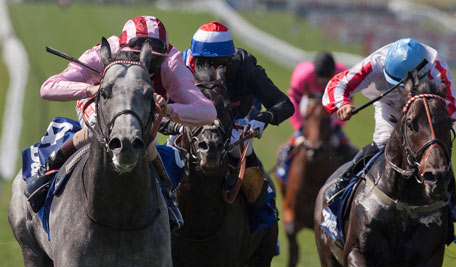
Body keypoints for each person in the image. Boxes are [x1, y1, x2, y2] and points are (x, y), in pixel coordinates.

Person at [25, 16, 217, 231]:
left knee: (142, 137)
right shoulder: (100, 53)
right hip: (101, 103)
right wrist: (91, 89)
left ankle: (167, 191)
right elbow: (48, 88)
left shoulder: (171, 63)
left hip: (141, 108)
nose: (145, 65)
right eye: (135, 57)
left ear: (164, 55)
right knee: (101, 126)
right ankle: (51, 166)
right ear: (123, 48)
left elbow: (208, 112)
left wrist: (170, 110)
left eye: (153, 60)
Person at [322, 38, 456, 214]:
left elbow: (454, 108)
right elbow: (338, 83)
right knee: (383, 141)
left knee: (436, 148)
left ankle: (451, 202)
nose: (400, 90)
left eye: (402, 86)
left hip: (424, 114)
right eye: (395, 84)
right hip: (390, 107)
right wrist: (342, 104)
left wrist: (429, 115)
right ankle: (342, 184)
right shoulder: (376, 63)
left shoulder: (436, 65)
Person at [175, 21, 294, 205]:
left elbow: (284, 104)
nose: (212, 70)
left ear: (230, 59)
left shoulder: (244, 65)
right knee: (167, 158)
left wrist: (263, 118)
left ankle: (264, 216)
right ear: (193, 58)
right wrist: (177, 123)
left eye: (219, 63)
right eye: (203, 63)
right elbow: (159, 108)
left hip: (235, 123)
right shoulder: (179, 65)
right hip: (191, 124)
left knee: (244, 165)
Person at [276, 51, 355, 179]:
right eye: (320, 77)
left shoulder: (342, 75)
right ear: (314, 72)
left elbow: (348, 102)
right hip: (307, 106)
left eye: (327, 78)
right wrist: (300, 127)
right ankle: (283, 164)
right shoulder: (303, 75)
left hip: (331, 110)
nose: (323, 82)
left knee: (345, 145)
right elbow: (293, 103)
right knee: (296, 140)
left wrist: (337, 126)